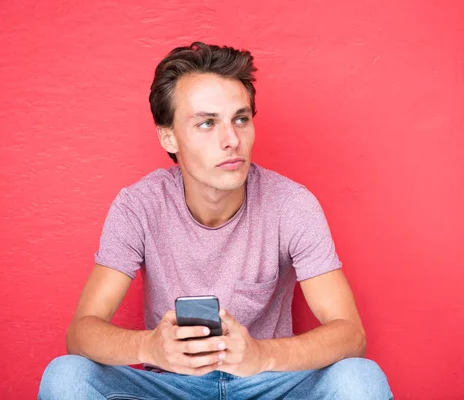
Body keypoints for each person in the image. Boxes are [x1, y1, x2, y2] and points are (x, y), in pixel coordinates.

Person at [38, 42, 392, 399]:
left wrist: (262, 355)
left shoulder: (292, 204)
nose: (231, 140)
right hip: (170, 385)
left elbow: (351, 334)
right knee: (67, 375)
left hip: (265, 382)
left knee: (358, 378)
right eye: (207, 123)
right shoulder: (139, 206)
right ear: (169, 136)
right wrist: (151, 347)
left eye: (241, 119)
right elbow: (81, 333)